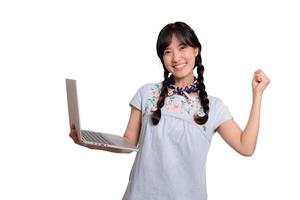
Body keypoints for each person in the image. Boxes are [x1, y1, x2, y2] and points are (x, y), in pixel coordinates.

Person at [69, 21, 270, 200]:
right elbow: (128, 143)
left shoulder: (214, 106)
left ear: (196, 50)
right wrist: (88, 141)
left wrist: (257, 95)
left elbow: (246, 147)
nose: (176, 57)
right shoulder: (147, 93)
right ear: (162, 58)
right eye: (167, 51)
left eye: (182, 47)